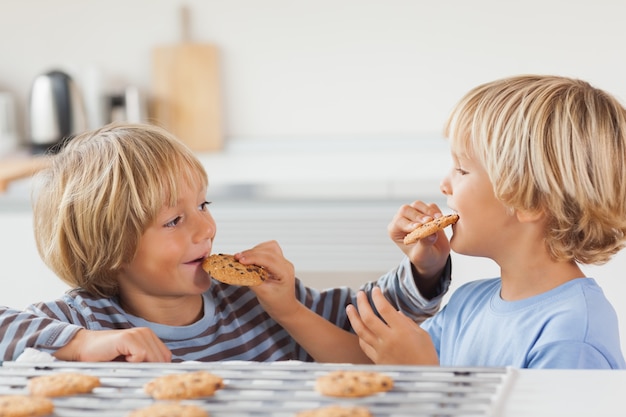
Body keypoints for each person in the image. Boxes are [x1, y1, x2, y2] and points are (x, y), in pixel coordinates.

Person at [1, 122, 451, 363]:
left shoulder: (251, 300)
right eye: (175, 220)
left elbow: (369, 318)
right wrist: (78, 345)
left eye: (204, 204)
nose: (206, 229)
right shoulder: (84, 320)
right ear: (110, 247)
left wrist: (423, 269)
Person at [340, 75, 626, 368]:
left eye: (462, 170)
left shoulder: (572, 336)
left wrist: (423, 374)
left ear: (528, 202)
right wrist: (292, 310)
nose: (444, 185)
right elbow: (372, 364)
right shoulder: (468, 304)